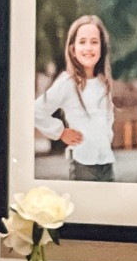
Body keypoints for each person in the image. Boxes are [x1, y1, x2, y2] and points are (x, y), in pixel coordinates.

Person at [34, 14, 115, 181]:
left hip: (106, 162)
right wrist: (61, 132)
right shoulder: (68, 82)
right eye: (82, 42)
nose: (88, 48)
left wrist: (105, 140)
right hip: (82, 163)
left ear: (102, 47)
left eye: (94, 42)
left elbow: (107, 117)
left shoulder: (103, 82)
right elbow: (37, 111)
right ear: (73, 48)